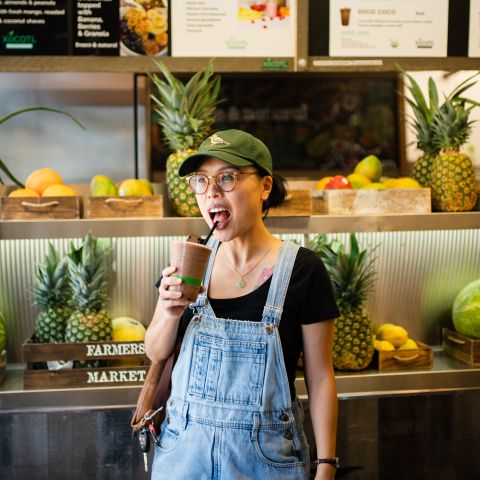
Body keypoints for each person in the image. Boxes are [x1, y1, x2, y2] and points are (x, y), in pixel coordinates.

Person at [145, 129, 340, 480]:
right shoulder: (187, 264)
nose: (212, 192)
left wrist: (326, 465)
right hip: (183, 456)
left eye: (228, 178)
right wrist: (168, 310)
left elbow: (321, 376)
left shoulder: (302, 270)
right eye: (201, 181)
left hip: (267, 462)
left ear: (265, 187)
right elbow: (156, 352)